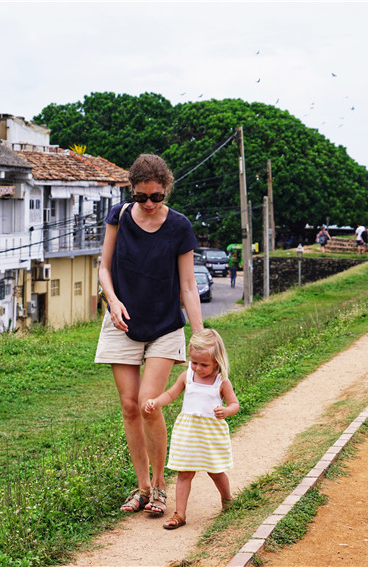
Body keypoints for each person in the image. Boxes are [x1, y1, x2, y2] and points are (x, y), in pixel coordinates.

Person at [95, 153, 204, 517]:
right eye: (142, 197)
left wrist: (200, 337)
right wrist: (112, 301)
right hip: (122, 321)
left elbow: (188, 285)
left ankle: (160, 487)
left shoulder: (179, 227)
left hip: (164, 325)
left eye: (157, 197)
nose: (149, 204)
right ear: (133, 192)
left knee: (148, 402)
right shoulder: (120, 216)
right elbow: (104, 267)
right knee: (128, 407)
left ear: (167, 190)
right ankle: (141, 488)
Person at [144, 329, 239, 530]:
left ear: (217, 361)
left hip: (210, 435)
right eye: (194, 362)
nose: (197, 368)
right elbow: (170, 394)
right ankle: (180, 514)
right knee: (184, 473)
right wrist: (155, 402)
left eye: (204, 364)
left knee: (216, 471)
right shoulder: (187, 376)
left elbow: (234, 404)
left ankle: (227, 499)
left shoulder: (221, 381)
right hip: (188, 434)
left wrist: (226, 411)